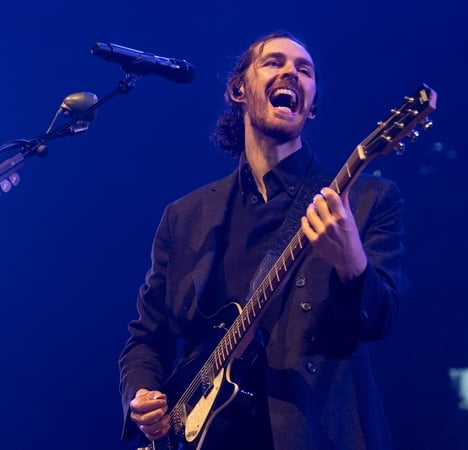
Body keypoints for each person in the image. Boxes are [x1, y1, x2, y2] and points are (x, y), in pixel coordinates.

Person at [118, 29, 406, 450]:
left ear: (311, 107)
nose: (291, 72)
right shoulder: (185, 217)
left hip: (318, 433)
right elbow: (147, 337)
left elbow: (380, 320)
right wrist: (141, 394)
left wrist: (352, 264)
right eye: (274, 62)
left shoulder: (363, 200)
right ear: (239, 89)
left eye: (304, 70)